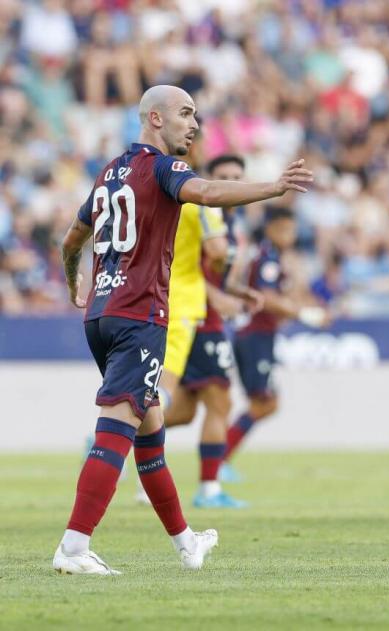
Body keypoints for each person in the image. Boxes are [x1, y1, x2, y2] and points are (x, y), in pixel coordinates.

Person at [55, 84, 313, 575]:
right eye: (185, 114)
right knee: (118, 427)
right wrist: (274, 187)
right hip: (139, 315)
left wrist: (76, 282)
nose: (194, 124)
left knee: (149, 432)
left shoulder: (111, 173)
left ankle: (186, 542)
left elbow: (71, 239)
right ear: (154, 118)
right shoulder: (164, 168)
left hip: (101, 314)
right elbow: (209, 192)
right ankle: (73, 546)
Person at [164, 154, 262, 508]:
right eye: (225, 177)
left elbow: (216, 272)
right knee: (220, 401)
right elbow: (189, 268)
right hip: (198, 318)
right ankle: (209, 489)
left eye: (238, 176)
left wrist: (237, 292)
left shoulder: (229, 223)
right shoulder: (204, 211)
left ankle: (118, 433)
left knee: (186, 409)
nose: (232, 182)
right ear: (213, 180)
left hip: (204, 316)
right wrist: (218, 297)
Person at [133, 149, 229, 505]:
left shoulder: (149, 191)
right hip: (184, 303)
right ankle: (117, 433)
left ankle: (133, 455)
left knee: (181, 407)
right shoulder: (203, 201)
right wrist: (224, 277)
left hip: (147, 296)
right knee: (163, 392)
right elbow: (218, 252)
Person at [218, 206, 331, 473]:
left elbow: (285, 295)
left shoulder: (275, 257)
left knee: (267, 403)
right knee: (264, 403)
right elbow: (267, 299)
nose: (289, 235)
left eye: (291, 229)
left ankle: (220, 459)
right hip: (254, 336)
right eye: (284, 229)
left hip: (261, 336)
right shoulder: (267, 258)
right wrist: (305, 313)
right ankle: (219, 460)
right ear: (270, 229)